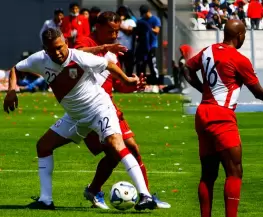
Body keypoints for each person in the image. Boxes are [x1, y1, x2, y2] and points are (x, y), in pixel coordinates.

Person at [3, 28, 157, 211]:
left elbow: (108, 64)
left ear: (65, 42)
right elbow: (16, 68)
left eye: (60, 47)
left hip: (100, 109)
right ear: (45, 49)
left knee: (116, 145)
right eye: (51, 50)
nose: (57, 53)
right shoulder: (39, 59)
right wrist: (12, 90)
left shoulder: (79, 57)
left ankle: (145, 196)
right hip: (76, 118)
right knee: (43, 146)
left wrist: (126, 80)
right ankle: (45, 200)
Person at [185, 19, 263, 217]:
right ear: (239, 35)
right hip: (222, 116)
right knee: (234, 172)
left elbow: (187, 69)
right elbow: (258, 92)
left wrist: (203, 90)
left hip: (203, 113)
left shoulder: (208, 50)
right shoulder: (238, 59)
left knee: (208, 174)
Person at [74, 11, 170, 209]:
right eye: (110, 31)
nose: (114, 35)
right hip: (88, 108)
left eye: (116, 31)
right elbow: (76, 55)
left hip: (109, 107)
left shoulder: (114, 51)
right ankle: (93, 189)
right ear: (98, 28)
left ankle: (146, 196)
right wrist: (105, 47)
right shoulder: (86, 41)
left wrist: (133, 85)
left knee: (132, 149)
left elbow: (118, 84)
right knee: (114, 153)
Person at [137, 5, 161, 93]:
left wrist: (147, 28)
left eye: (144, 13)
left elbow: (157, 31)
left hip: (152, 46)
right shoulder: (141, 21)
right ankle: (142, 85)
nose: (143, 15)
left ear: (148, 11)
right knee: (141, 66)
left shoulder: (155, 19)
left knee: (152, 65)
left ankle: (156, 85)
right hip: (143, 46)